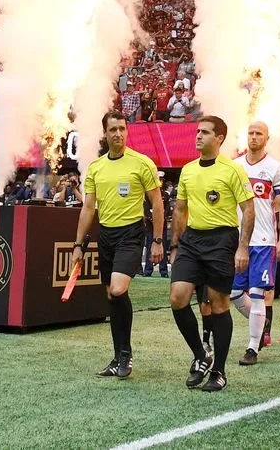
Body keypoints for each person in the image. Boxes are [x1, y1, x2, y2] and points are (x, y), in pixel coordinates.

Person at [71, 111, 164, 379]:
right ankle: (117, 356)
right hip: (107, 236)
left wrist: (157, 240)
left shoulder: (142, 163)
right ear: (106, 133)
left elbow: (157, 204)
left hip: (132, 234)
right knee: (112, 296)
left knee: (118, 288)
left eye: (122, 129)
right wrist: (78, 245)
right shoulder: (97, 168)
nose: (118, 134)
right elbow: (88, 208)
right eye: (113, 129)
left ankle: (125, 354)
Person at [169, 115, 255, 392]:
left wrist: (242, 247)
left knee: (219, 304)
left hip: (222, 239)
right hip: (192, 240)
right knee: (177, 298)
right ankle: (200, 354)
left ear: (219, 139)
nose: (198, 136)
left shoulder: (232, 170)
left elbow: (249, 210)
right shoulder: (188, 170)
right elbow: (180, 210)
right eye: (197, 131)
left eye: (205, 132)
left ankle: (219, 370)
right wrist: (174, 245)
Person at [230, 121, 280, 365]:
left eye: (259, 134)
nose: (254, 137)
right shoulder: (235, 166)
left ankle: (253, 347)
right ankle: (260, 321)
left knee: (256, 294)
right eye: (251, 133)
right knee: (233, 293)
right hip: (237, 238)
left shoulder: (275, 168)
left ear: (267, 138)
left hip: (263, 240)